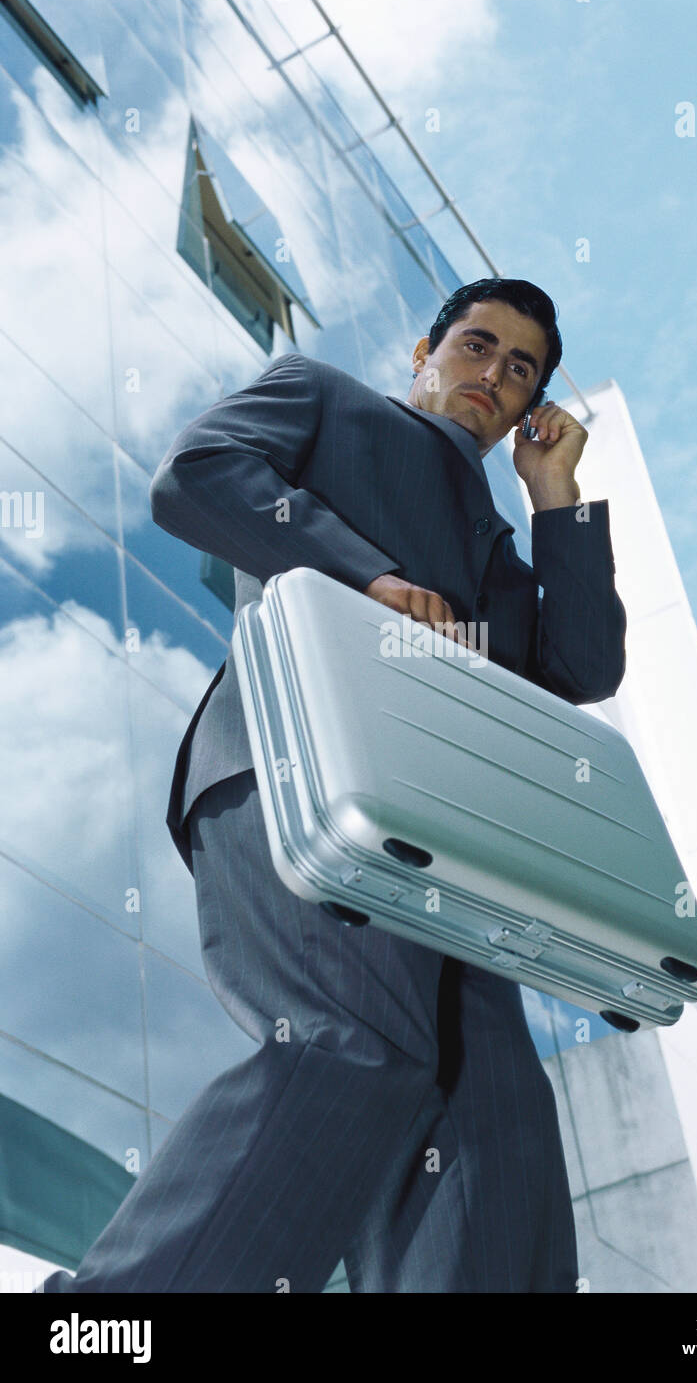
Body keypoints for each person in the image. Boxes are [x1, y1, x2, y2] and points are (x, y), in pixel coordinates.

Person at [37, 278, 626, 1293]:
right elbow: (199, 472)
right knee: (356, 1046)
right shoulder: (322, 398)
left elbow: (582, 667)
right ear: (423, 352)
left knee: (497, 1140)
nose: (493, 373)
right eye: (478, 346)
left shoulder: (502, 549)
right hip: (303, 770)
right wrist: (365, 577)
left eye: (520, 369)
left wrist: (555, 498)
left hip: (452, 856)